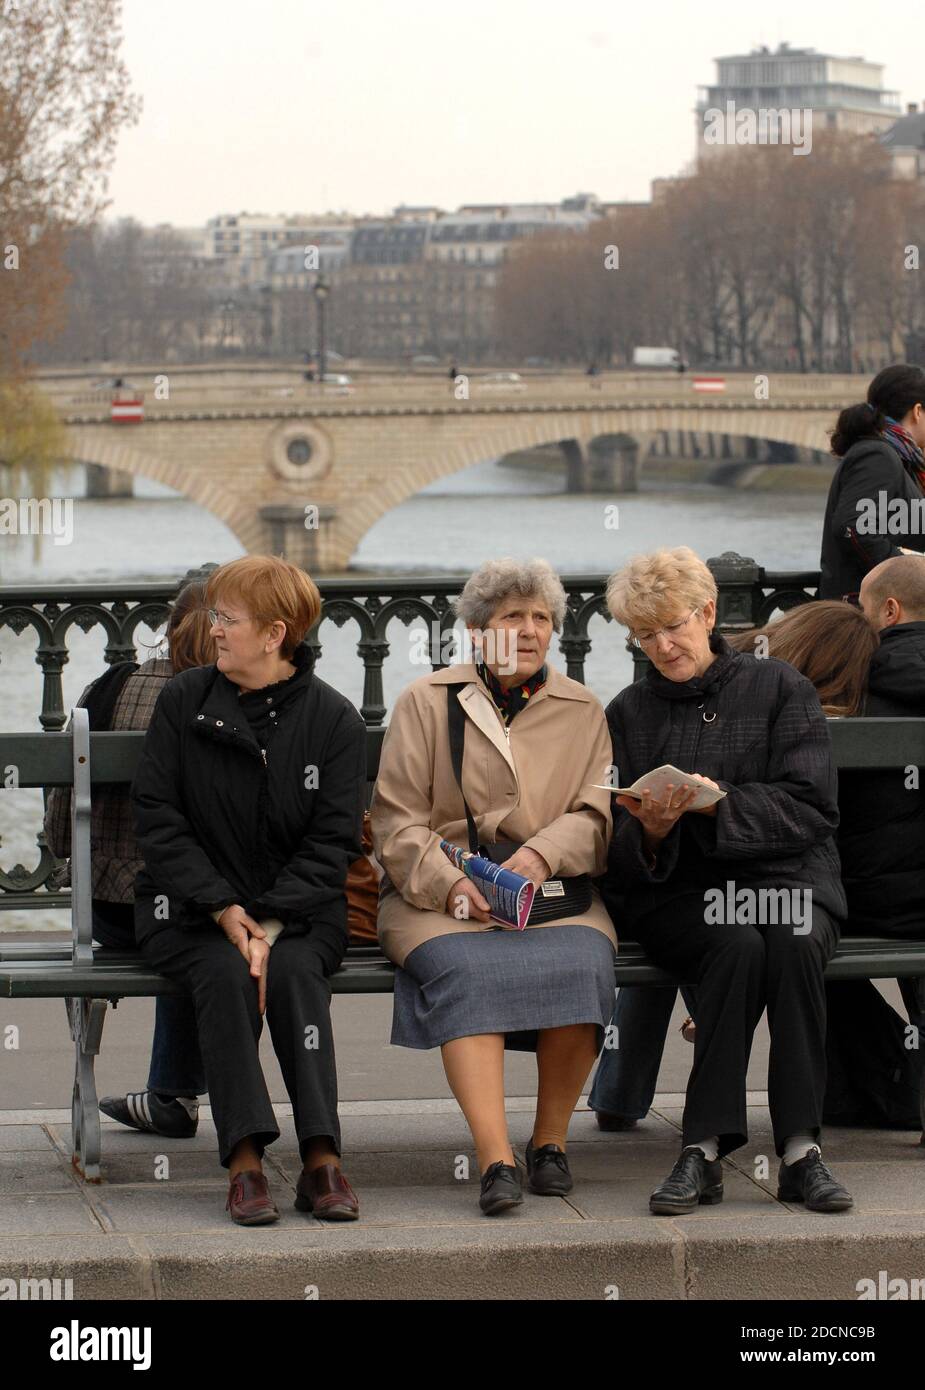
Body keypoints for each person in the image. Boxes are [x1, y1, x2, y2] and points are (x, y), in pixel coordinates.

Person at [600, 546, 853, 1215]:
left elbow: (812, 807)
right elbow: (616, 849)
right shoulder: (628, 711)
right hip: (682, 891)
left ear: (707, 613)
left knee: (794, 939)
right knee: (734, 943)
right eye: (645, 634)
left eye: (674, 626)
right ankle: (704, 1149)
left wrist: (720, 803)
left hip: (789, 876)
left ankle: (801, 1151)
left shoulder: (778, 687)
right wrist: (652, 830)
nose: (662, 645)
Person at [370, 558, 617, 1216]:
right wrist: (451, 883)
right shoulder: (425, 702)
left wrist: (540, 853)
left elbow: (596, 814)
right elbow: (395, 821)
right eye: (513, 616)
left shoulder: (581, 707)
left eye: (541, 617)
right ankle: (494, 1159)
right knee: (466, 971)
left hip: (552, 891)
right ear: (477, 632)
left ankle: (550, 1143)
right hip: (437, 896)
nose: (531, 629)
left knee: (584, 962)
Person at [132, 556, 366, 1226]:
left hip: (301, 916)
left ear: (273, 635)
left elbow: (332, 845)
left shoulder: (332, 721)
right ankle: (244, 1162)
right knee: (223, 974)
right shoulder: (185, 702)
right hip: (188, 910)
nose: (213, 631)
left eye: (227, 619)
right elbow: (159, 818)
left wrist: (270, 919)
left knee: (293, 974)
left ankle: (321, 1156)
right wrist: (224, 908)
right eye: (213, 617)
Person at [44, 581, 212, 1138]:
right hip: (201, 913)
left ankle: (171, 1097)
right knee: (199, 918)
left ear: (169, 625)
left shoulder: (109, 687)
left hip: (109, 915)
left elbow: (61, 831)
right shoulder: (233, 696)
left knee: (181, 912)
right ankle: (175, 1092)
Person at [819, 363, 925, 600]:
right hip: (868, 614)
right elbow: (853, 526)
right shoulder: (878, 455)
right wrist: (906, 573)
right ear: (917, 411)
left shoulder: (894, 457)